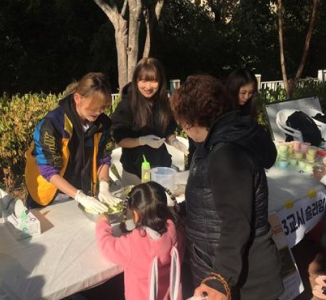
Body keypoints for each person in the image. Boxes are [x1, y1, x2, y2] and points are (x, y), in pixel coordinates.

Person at [170, 74, 283, 300]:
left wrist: (220, 279)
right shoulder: (216, 143)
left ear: (188, 122)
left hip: (246, 278)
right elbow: (215, 198)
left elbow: (236, 220)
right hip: (223, 261)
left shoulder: (226, 153)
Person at [25, 72, 121, 213]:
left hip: (85, 190)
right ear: (77, 98)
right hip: (51, 195)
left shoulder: (103, 123)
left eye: (103, 107)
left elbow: (103, 158)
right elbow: (48, 170)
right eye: (93, 107)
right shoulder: (52, 124)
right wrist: (79, 196)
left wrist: (104, 186)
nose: (98, 112)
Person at [96, 181, 185, 300]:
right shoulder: (175, 232)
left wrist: (102, 224)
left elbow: (106, 247)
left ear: (135, 214)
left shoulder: (133, 244)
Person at [111, 57, 186, 186]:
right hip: (134, 171)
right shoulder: (126, 105)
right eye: (143, 81)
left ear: (161, 81)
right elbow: (120, 139)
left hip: (161, 167)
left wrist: (174, 141)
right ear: (136, 81)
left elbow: (167, 131)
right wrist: (142, 141)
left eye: (154, 81)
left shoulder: (164, 104)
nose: (148, 87)